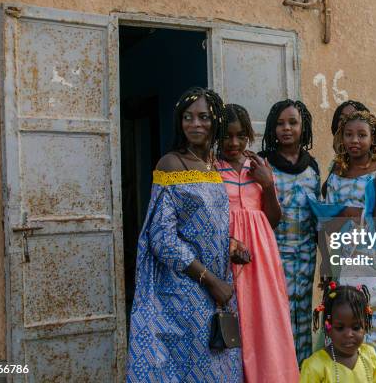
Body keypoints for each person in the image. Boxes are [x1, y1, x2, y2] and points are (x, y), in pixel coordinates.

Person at [126, 87, 243, 382]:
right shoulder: (171, 164)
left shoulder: (212, 166)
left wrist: (229, 244)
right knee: (188, 370)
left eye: (204, 117)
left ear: (215, 121)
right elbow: (162, 239)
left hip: (216, 288)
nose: (195, 124)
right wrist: (210, 279)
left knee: (217, 366)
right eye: (188, 117)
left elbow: (203, 224)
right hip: (184, 291)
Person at [216, 104, 300, 382]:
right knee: (235, 318)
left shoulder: (260, 167)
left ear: (249, 135)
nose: (234, 142)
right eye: (227, 136)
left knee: (264, 318)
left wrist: (266, 184)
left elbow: (273, 219)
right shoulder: (211, 170)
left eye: (241, 135)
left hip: (261, 255)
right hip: (228, 252)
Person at [324, 111, 376, 383]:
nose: (354, 141)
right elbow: (329, 219)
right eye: (349, 134)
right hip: (348, 262)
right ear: (340, 137)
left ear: (373, 139)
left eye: (361, 135)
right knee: (351, 328)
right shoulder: (335, 173)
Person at [259, 99, 320, 366]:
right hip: (274, 254)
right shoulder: (263, 165)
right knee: (276, 317)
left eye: (292, 122)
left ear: (302, 127)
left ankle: (302, 372)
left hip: (306, 256)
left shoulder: (313, 167)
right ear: (272, 129)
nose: (286, 128)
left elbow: (318, 215)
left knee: (303, 315)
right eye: (280, 123)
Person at [300, 284, 376, 383]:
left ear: (365, 326)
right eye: (340, 328)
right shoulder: (314, 367)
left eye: (356, 327)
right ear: (327, 327)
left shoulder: (370, 355)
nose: (348, 334)